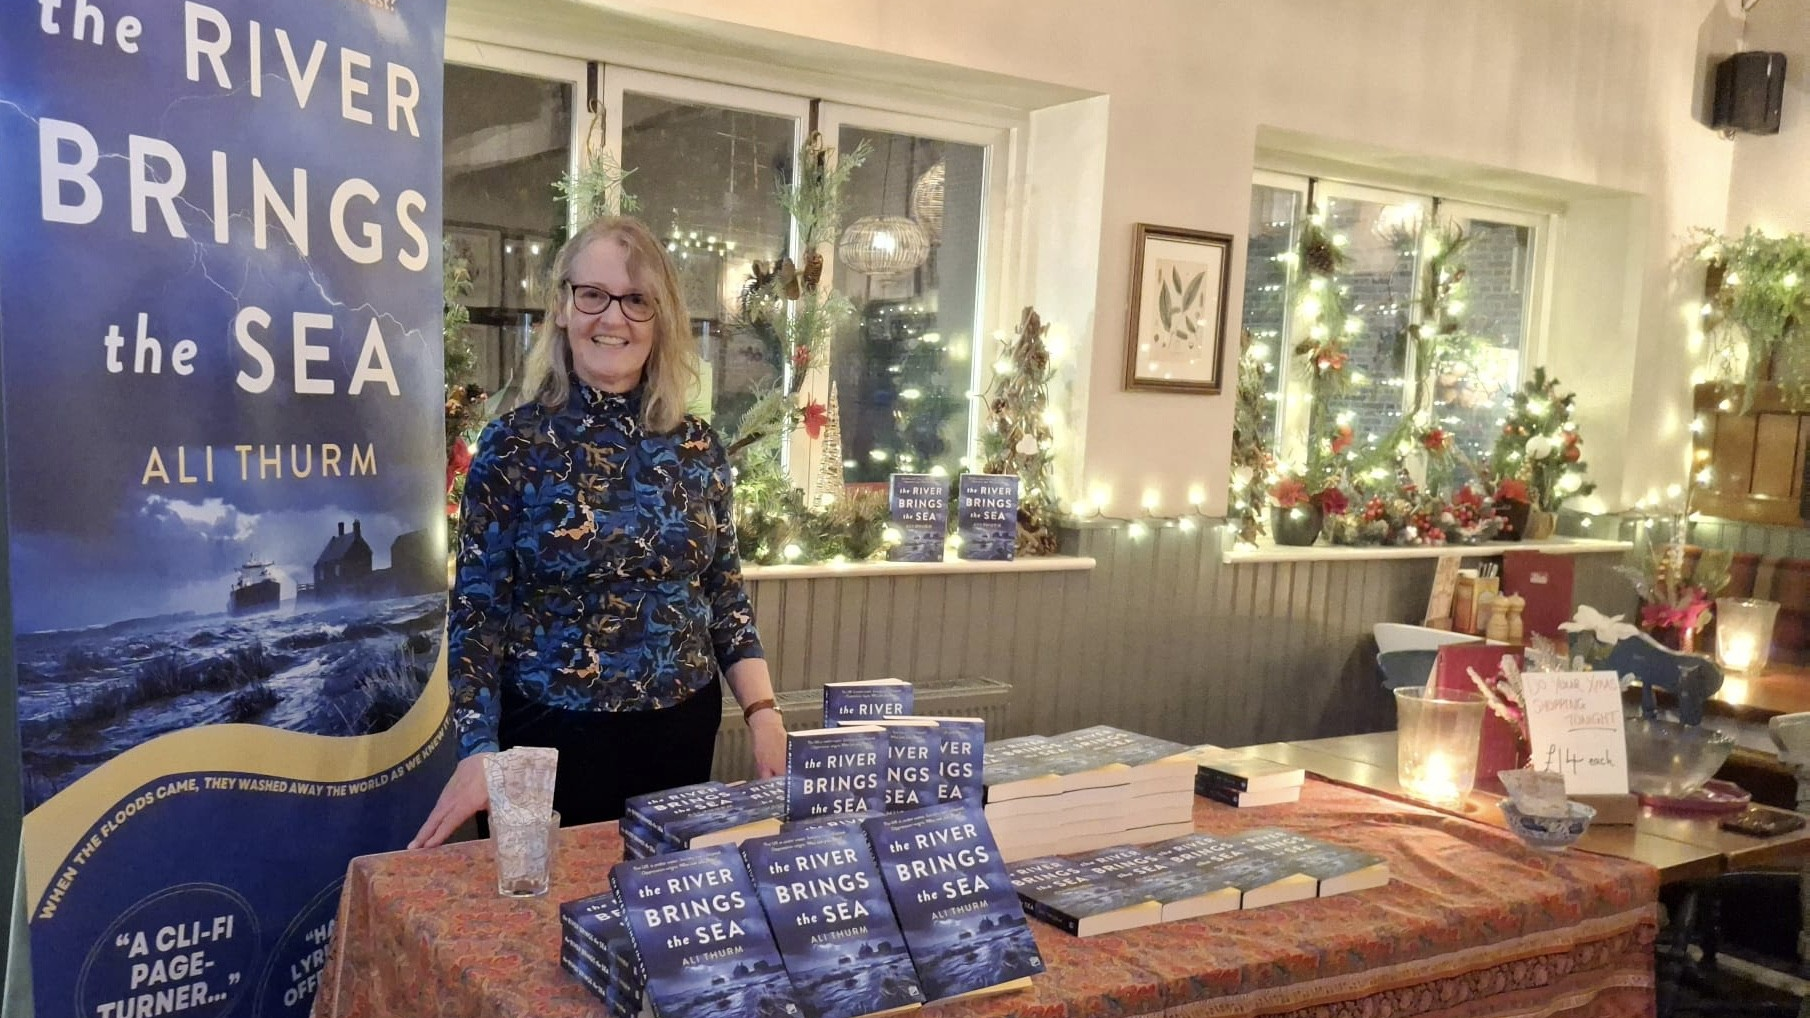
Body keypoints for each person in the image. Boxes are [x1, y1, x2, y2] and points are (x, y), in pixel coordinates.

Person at [411, 216, 786, 849]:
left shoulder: (698, 447)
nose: (613, 317)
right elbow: (477, 615)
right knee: (549, 905)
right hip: (547, 741)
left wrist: (764, 713)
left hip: (680, 730)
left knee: (659, 901)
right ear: (562, 307)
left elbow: (724, 597)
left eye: (636, 299)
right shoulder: (513, 446)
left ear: (661, 318)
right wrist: (477, 750)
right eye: (593, 295)